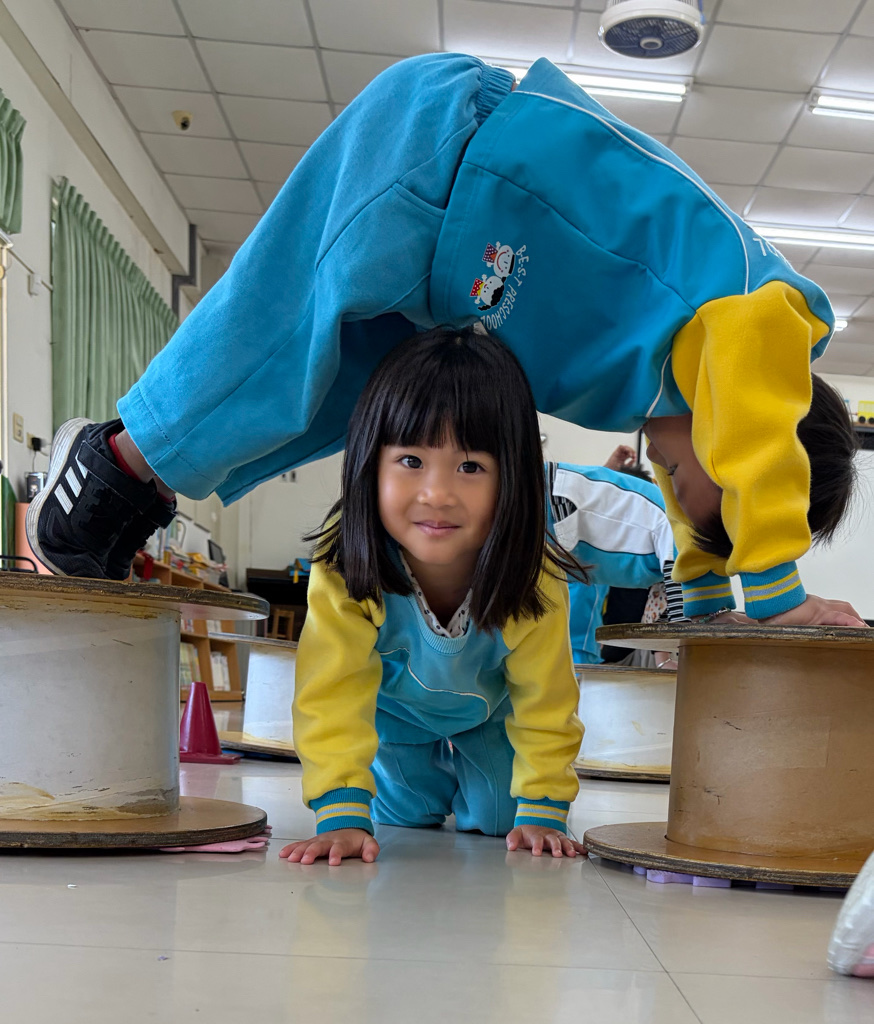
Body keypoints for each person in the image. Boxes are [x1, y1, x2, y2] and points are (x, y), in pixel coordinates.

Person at [27, 53, 862, 627]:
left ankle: (152, 483)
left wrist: (711, 605)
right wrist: (780, 599)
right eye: (684, 474)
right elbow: (758, 445)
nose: (663, 475)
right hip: (441, 152)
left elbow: (697, 510)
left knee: (341, 406)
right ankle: (114, 464)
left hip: (446, 283)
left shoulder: (665, 391)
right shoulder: (769, 319)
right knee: (280, 334)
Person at [278, 327, 587, 865]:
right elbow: (331, 690)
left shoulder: (531, 570)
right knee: (408, 812)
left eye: (471, 467)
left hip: (487, 716)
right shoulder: (346, 561)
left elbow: (548, 697)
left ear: (513, 477)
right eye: (411, 460)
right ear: (370, 461)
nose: (438, 494)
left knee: (501, 821)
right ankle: (417, 781)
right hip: (396, 717)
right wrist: (341, 811)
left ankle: (481, 780)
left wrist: (544, 805)